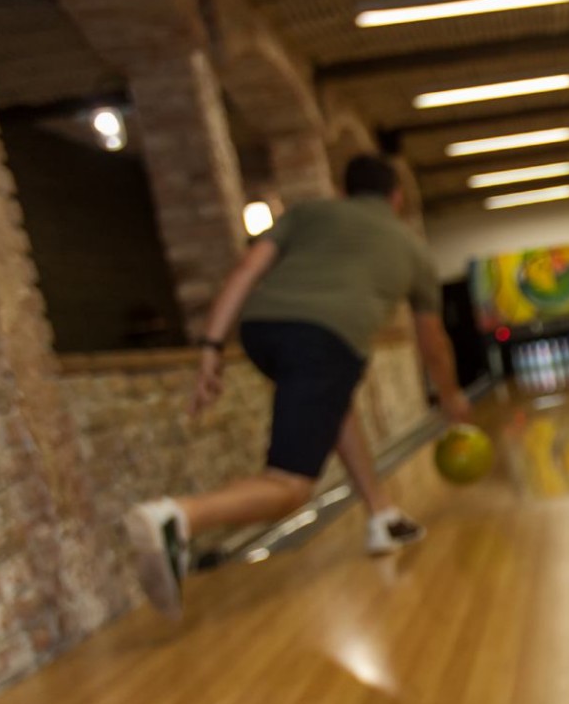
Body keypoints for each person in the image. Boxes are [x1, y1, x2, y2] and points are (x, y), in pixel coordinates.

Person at [124, 154, 471, 618]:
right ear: (397, 198)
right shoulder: (412, 249)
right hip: (325, 341)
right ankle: (177, 517)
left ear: (343, 191)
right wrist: (450, 396)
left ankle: (382, 515)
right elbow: (432, 342)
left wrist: (210, 346)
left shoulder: (308, 213)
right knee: (290, 486)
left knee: (335, 407)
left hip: (260, 330)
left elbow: (246, 271)